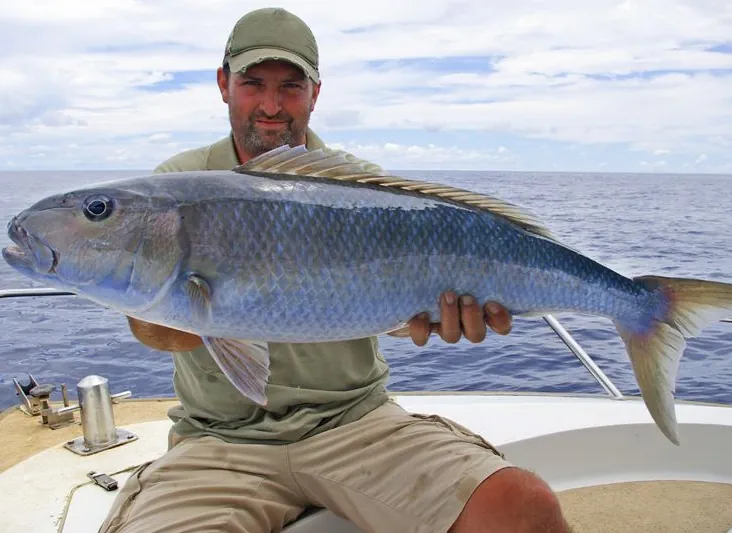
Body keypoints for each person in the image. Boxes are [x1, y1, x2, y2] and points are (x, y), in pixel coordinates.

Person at [100, 7, 572, 533]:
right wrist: (187, 296)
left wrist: (433, 315)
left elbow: (405, 312)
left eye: (291, 87)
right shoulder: (175, 184)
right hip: (219, 439)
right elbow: (155, 329)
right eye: (253, 83)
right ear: (223, 85)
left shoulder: (364, 189)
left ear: (316, 93)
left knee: (525, 509)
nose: (271, 105)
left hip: (356, 423)